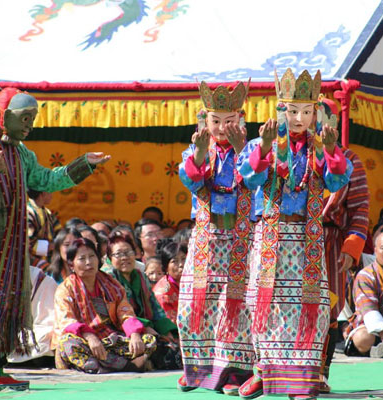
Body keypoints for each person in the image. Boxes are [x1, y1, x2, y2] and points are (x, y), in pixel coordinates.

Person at [0, 88, 111, 391]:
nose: (29, 125)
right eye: (24, 118)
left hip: (9, 238)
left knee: (6, 297)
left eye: (32, 119)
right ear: (3, 115)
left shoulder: (23, 154)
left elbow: (48, 179)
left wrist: (84, 164)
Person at [237, 69, 352, 399]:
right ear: (279, 110)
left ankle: (303, 379)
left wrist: (331, 152)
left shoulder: (322, 146)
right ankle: (264, 371)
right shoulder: (264, 143)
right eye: (292, 110)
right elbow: (249, 179)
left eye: (306, 111)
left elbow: (335, 183)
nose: (299, 118)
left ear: (316, 112)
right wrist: (264, 147)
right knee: (266, 303)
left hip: (308, 237)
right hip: (271, 234)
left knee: (307, 306)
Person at [177, 79, 256, 395]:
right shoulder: (196, 150)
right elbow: (192, 181)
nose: (223, 127)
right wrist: (199, 152)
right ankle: (198, 369)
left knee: (235, 303)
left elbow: (257, 180)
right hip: (207, 237)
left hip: (242, 237)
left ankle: (235, 372)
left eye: (230, 120)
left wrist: (240, 151)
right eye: (216, 121)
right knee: (195, 301)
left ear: (241, 121)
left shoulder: (254, 150)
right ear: (204, 121)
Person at [319, 98, 370, 393]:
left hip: (331, 243)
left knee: (328, 308)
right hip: (293, 241)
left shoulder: (350, 161)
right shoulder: (295, 157)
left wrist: (352, 248)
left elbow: (361, 208)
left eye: (326, 120)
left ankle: (321, 373)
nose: (319, 126)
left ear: (335, 124)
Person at [54, 238, 156, 373]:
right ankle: (126, 365)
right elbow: (66, 321)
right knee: (68, 343)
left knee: (149, 340)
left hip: (110, 340)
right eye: (82, 259)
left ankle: (102, 366)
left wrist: (134, 335)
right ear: (72, 264)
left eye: (92, 256)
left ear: (98, 259)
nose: (88, 262)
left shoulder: (112, 284)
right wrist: (90, 337)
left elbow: (125, 312)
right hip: (85, 341)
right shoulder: (65, 289)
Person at [106, 235, 181, 370]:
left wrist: (167, 331)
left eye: (128, 252)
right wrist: (144, 327)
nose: (124, 258)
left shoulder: (140, 276)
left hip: (146, 328)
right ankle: (135, 364)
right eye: (118, 254)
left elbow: (155, 307)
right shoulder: (109, 279)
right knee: (150, 341)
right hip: (119, 330)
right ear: (110, 258)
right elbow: (117, 314)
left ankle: (145, 361)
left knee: (174, 343)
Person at [153, 240, 186, 324]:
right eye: (174, 261)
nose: (181, 264)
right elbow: (170, 322)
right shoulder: (163, 293)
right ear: (166, 266)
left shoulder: (192, 282)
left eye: (184, 259)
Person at [27, 189, 60, 262]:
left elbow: (59, 232)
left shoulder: (47, 213)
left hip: (49, 261)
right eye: (50, 191)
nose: (52, 195)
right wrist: (51, 246)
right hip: (34, 264)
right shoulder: (29, 213)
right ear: (44, 193)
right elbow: (28, 243)